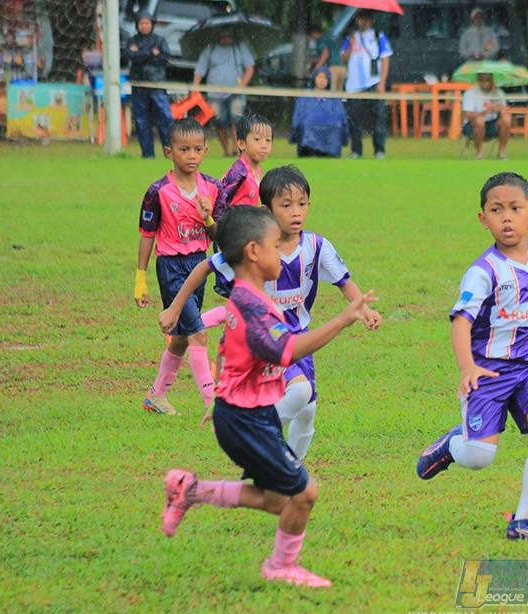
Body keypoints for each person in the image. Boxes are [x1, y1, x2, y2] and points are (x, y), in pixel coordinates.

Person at [159, 205, 378, 588]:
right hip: (246, 419)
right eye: (276, 246)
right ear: (254, 252)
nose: (283, 254)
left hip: (245, 414)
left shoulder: (250, 296)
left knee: (278, 501)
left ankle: (188, 489)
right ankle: (280, 567)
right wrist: (343, 319)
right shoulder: (251, 305)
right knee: (304, 494)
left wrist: (222, 400)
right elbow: (288, 351)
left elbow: (230, 350)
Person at [160, 165, 382, 465]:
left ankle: (291, 469)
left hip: (299, 335)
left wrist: (364, 309)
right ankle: (251, 435)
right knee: (300, 392)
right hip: (265, 335)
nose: (296, 212)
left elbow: (344, 282)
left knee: (307, 411)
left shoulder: (317, 246)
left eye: (302, 204)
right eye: (286, 205)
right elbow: (206, 267)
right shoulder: (255, 245)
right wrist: (175, 307)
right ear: (267, 209)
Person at [416, 172, 528, 544]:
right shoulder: (483, 272)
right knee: (479, 456)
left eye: (515, 208)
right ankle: (452, 445)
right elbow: (460, 321)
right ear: (484, 219)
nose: (507, 218)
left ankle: (526, 520)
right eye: (496, 210)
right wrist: (467, 368)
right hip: (489, 371)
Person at [135, 118, 226, 416]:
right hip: (171, 267)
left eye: (198, 149)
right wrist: (141, 278)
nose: (191, 155)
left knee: (183, 338)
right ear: (168, 152)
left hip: (200, 264)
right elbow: (147, 235)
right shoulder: (157, 191)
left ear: (205, 151)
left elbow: (221, 237)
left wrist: (208, 219)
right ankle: (213, 406)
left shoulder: (213, 188)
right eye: (184, 149)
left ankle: (156, 395)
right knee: (198, 333)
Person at [193, 28, 255, 157]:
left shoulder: (239, 47)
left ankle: (236, 149)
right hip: (214, 94)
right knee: (219, 122)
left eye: (228, 36)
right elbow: (200, 68)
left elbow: (249, 67)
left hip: (236, 92)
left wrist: (242, 86)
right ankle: (226, 151)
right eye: (223, 36)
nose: (226, 39)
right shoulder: (210, 49)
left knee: (236, 120)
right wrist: (195, 87)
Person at [341, 9, 392, 159]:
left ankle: (379, 150)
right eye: (359, 19)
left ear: (371, 20)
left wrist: (382, 82)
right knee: (355, 120)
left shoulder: (378, 36)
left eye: (365, 19)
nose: (362, 22)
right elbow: (343, 59)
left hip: (373, 83)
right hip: (353, 85)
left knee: (378, 118)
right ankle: (356, 151)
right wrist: (350, 46)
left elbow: (385, 59)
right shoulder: (351, 37)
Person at [123, 9, 173, 159]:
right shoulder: (132, 40)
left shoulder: (160, 40)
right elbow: (131, 56)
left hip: (157, 85)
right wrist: (151, 53)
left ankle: (169, 153)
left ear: (152, 24)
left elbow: (164, 58)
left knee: (165, 119)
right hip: (139, 86)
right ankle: (147, 154)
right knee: (141, 121)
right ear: (137, 25)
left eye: (147, 23)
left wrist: (141, 54)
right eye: (141, 23)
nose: (144, 26)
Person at [290, 66, 349, 158]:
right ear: (314, 78)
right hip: (310, 123)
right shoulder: (305, 95)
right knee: (306, 124)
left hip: (330, 125)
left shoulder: (334, 96)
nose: (322, 80)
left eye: (325, 78)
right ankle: (309, 150)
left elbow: (340, 115)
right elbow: (298, 114)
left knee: (336, 126)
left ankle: (329, 152)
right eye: (319, 77)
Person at [222, 112, 272, 207]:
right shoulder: (239, 173)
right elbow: (219, 202)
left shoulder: (258, 170)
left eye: (268, 140)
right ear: (241, 144)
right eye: (257, 139)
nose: (264, 145)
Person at [462, 72, 510, 160]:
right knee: (480, 120)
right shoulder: (470, 93)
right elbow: (468, 115)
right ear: (478, 81)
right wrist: (487, 111)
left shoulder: (498, 93)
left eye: (488, 80)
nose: (485, 83)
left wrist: (500, 108)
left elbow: (505, 114)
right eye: (482, 80)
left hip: (492, 124)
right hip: (473, 125)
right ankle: (479, 153)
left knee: (506, 120)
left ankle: (501, 152)